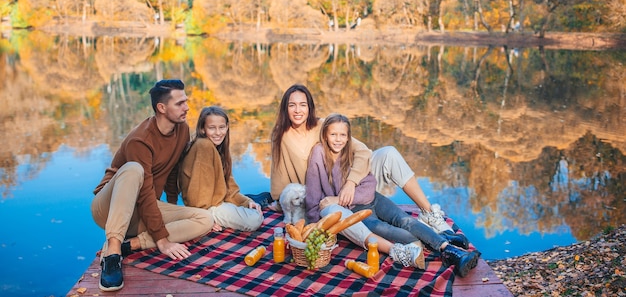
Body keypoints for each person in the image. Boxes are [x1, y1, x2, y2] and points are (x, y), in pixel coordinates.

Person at [269, 84, 467, 244]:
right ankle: (425, 240)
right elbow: (280, 182)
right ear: (285, 108)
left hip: (352, 181)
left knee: (389, 153)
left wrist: (352, 182)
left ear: (309, 107)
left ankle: (429, 214)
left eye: (302, 104)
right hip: (326, 194)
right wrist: (285, 202)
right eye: (292, 105)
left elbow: (363, 152)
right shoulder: (281, 136)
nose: (298, 110)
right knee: (381, 224)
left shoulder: (324, 126)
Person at [305, 113, 481, 277]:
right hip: (357, 212)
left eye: (343, 135)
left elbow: (369, 185)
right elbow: (313, 194)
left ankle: (449, 250)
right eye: (333, 134)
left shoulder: (354, 151)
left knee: (405, 220)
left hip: (373, 199)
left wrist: (340, 198)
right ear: (325, 135)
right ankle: (447, 246)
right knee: (389, 230)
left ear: (348, 136)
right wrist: (316, 230)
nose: (338, 140)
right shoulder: (318, 154)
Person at [91, 79, 214, 292]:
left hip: (142, 211)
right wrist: (163, 241)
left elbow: (173, 168)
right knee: (133, 169)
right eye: (180, 103)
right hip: (110, 208)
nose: (187, 107)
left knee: (205, 219)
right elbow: (145, 192)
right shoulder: (140, 140)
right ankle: (112, 252)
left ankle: (131, 245)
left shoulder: (182, 129)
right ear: (162, 108)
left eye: (186, 101)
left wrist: (174, 204)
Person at [178, 106, 264, 232]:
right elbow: (197, 193)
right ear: (203, 129)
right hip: (204, 209)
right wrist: (204, 220)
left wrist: (246, 202)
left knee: (254, 209)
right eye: (212, 128)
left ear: (227, 127)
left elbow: (229, 186)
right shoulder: (203, 146)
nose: (218, 133)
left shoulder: (219, 149)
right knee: (254, 220)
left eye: (222, 127)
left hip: (215, 203)